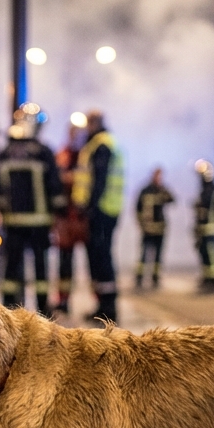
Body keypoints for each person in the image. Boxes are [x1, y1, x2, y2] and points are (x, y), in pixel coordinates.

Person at [0, 103, 63, 316]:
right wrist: (58, 212)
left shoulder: (5, 152)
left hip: (13, 221)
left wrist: (2, 211)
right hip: (39, 222)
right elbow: (55, 188)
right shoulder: (44, 153)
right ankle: (43, 309)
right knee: (41, 268)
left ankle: (9, 307)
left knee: (12, 266)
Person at [71, 110, 124, 323]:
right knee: (101, 258)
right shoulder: (103, 142)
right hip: (106, 210)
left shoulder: (101, 145)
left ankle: (107, 308)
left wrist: (90, 208)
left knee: (102, 259)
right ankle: (103, 305)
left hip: (101, 211)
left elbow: (98, 180)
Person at [52, 123, 87, 315]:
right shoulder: (63, 154)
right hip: (66, 217)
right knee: (64, 262)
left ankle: (99, 301)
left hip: (83, 217)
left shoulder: (87, 154)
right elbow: (56, 179)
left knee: (94, 261)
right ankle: (63, 300)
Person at [134, 168, 174, 289]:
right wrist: (141, 224)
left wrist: (163, 190)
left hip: (160, 229)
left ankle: (155, 278)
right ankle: (139, 278)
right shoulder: (145, 191)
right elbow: (138, 208)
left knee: (158, 256)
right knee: (144, 255)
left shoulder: (162, 190)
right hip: (147, 229)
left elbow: (172, 199)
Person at [194, 159, 214, 293]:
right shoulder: (206, 188)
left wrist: (198, 206)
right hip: (204, 227)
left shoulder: (211, 189)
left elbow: (206, 207)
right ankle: (207, 278)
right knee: (204, 253)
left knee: (211, 255)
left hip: (210, 227)